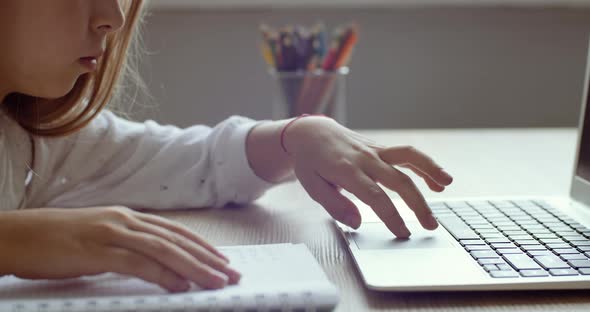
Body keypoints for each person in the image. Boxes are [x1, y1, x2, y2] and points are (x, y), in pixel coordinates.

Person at [0, 0, 453, 293]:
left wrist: (293, 137)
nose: (113, 18)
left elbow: (184, 161)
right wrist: (17, 241)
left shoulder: (30, 137)